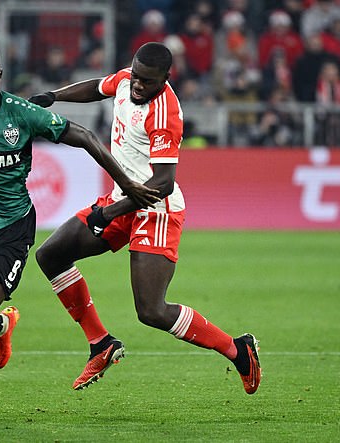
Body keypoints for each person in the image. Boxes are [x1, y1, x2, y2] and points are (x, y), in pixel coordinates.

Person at [0, 44, 159, 422]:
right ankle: (2, 324)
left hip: (11, 228)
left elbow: (87, 137)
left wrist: (126, 183)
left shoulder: (21, 115)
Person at [28, 42, 261, 394]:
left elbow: (163, 183)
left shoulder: (164, 113)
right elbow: (97, 87)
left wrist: (106, 213)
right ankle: (101, 343)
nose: (137, 85)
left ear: (166, 79)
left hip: (155, 210)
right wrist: (52, 95)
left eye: (147, 82)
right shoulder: (126, 80)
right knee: (50, 254)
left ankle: (236, 349)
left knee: (151, 311)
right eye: (136, 77)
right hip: (123, 200)